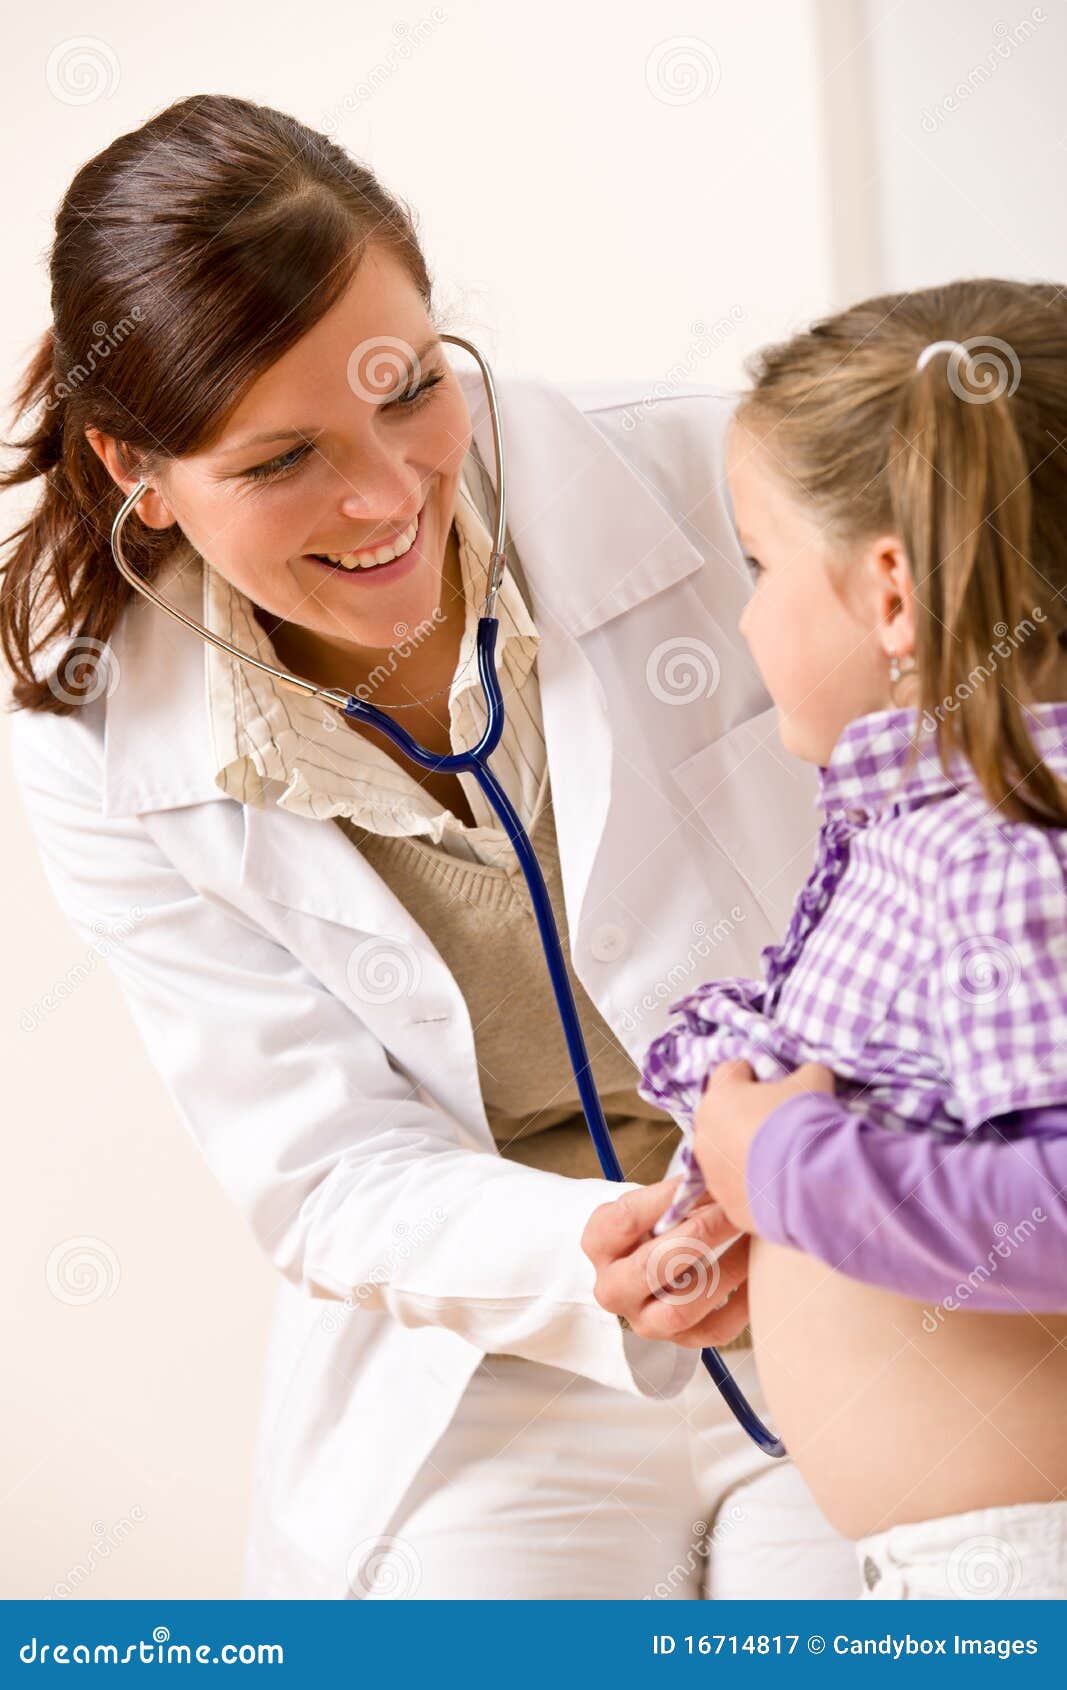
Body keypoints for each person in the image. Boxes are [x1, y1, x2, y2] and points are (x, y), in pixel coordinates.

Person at [4, 93, 859, 1599]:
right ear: (139, 467)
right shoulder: (98, 728)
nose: (389, 494)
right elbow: (324, 1167)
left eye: (406, 388)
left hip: (856, 1253)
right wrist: (589, 1247)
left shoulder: (707, 478)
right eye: (279, 463)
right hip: (514, 1333)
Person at [590, 279, 1067, 1601]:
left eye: (756, 566)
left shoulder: (1012, 847)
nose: (744, 621)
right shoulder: (948, 823)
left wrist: (790, 1167)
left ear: (893, 597)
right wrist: (767, 1210)